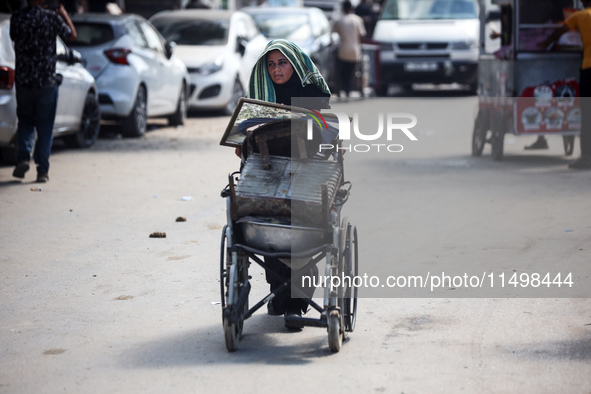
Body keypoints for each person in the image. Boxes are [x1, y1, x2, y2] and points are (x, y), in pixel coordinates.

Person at [246, 39, 331, 328]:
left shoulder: (312, 95)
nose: (276, 70)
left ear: (295, 65)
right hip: (270, 172)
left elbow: (325, 131)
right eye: (270, 64)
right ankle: (279, 293)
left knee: (298, 225)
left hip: (306, 171)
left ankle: (297, 301)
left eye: (282, 63)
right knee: (269, 223)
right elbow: (247, 134)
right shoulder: (262, 96)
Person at [10, 0, 77, 182]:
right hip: (46, 82)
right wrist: (62, 11)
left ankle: (23, 157)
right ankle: (42, 170)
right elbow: (72, 36)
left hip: (24, 81)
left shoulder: (18, 18)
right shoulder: (51, 18)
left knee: (25, 121)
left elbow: (13, 37)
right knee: (45, 127)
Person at [538, 0, 591, 169]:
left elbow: (559, 32)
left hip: (589, 68)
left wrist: (544, 44)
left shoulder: (580, 16)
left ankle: (587, 157)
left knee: (588, 115)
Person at [332, 0, 366, 99]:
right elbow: (362, 35)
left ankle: (342, 90)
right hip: (355, 50)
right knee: (351, 72)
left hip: (343, 50)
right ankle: (348, 90)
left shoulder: (339, 20)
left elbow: (334, 34)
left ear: (343, 9)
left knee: (342, 72)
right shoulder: (357, 20)